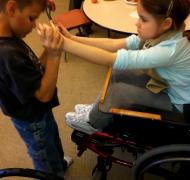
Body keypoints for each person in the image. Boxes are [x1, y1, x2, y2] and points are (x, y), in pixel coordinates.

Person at [59, 0, 190, 135]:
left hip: (179, 106)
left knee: (119, 92)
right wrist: (72, 38)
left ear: (166, 23)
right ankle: (96, 109)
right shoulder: (164, 33)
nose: (137, 23)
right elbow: (116, 44)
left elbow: (110, 59)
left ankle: (93, 123)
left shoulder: (169, 50)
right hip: (167, 85)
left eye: (143, 19)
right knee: (118, 71)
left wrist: (64, 44)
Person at [0, 0, 72, 178]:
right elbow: (44, 95)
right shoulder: (8, 54)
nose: (34, 26)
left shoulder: (10, 36)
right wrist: (54, 55)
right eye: (32, 18)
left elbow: (34, 69)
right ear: (11, 8)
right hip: (31, 118)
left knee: (52, 138)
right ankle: (53, 174)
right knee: (43, 153)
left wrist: (40, 3)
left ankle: (59, 163)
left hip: (38, 111)